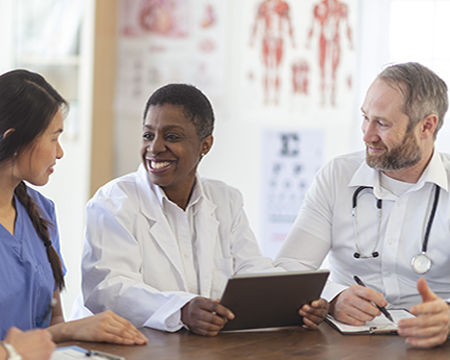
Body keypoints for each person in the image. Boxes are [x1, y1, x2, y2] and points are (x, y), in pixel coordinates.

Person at [81, 83, 328, 336]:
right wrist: (181, 310)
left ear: (205, 145)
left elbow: (250, 270)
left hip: (196, 348)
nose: (154, 147)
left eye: (172, 137)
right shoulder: (114, 201)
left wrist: (299, 304)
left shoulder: (225, 200)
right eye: (148, 135)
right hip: (127, 347)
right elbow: (107, 289)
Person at [275, 62, 450, 348]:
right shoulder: (337, 176)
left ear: (427, 126)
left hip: (434, 346)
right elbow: (288, 269)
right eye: (365, 118)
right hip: (348, 345)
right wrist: (333, 298)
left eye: (382, 123)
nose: (367, 135)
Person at [0, 69, 147, 349]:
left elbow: (53, 321)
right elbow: (54, 333)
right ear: (13, 140)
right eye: (54, 138)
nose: (60, 152)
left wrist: (71, 331)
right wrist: (69, 331)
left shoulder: (41, 211)